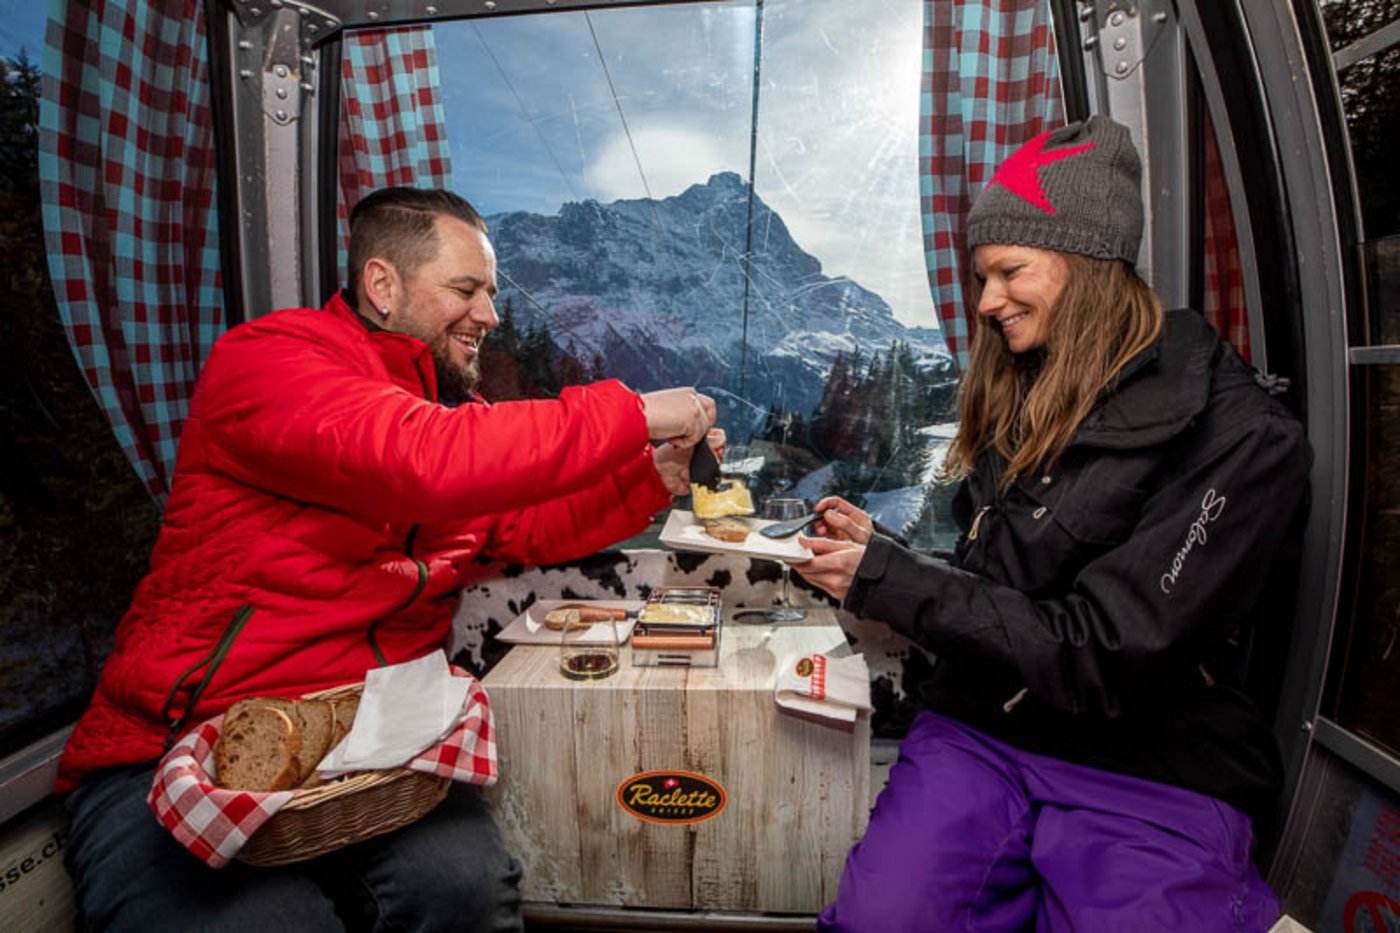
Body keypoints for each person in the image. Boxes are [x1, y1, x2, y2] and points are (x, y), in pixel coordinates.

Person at [58, 186, 719, 932]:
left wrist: (651, 478)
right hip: (184, 739)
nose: (490, 316)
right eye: (466, 290)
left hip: (372, 741)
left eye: (491, 294)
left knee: (465, 893)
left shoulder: (445, 417)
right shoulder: (272, 361)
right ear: (382, 284)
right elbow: (419, 460)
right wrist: (632, 411)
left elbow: (525, 525)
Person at [793, 116, 1309, 932]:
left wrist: (892, 579)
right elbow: (1003, 589)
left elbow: (1107, 648)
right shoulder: (1028, 392)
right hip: (983, 733)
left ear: (1087, 263)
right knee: (880, 918)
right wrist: (882, 557)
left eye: (1008, 271)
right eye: (980, 276)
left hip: (1150, 763)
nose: (987, 300)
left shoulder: (1241, 440)